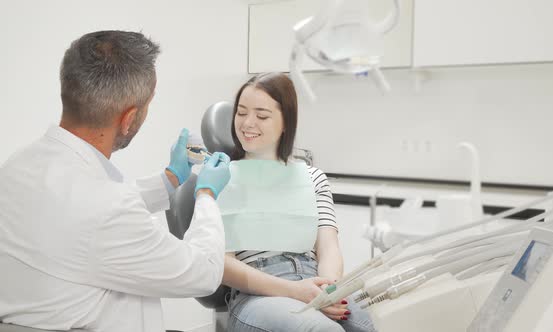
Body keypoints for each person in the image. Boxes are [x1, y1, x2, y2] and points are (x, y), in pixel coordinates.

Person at [0, 30, 231, 332]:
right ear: (127, 118)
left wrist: (168, 180)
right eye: (148, 105)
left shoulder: (17, 166)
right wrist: (206, 195)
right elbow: (205, 273)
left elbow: (75, 216)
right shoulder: (107, 209)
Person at [220, 72, 376, 332]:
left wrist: (327, 290)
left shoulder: (312, 177)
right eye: (241, 112)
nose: (247, 123)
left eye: (261, 116)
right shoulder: (221, 176)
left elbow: (328, 248)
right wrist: (295, 291)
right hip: (257, 295)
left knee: (371, 324)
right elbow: (222, 265)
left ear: (285, 123)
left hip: (312, 280)